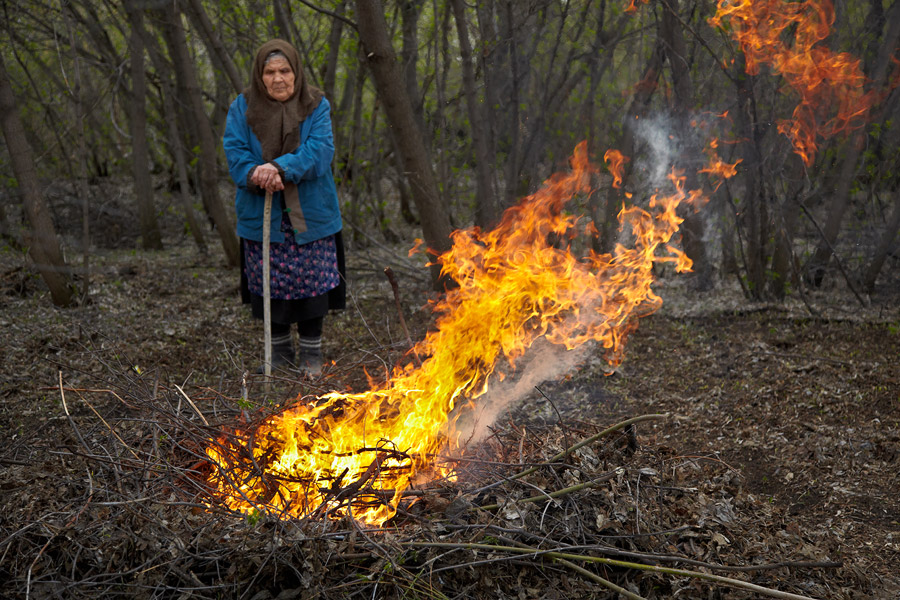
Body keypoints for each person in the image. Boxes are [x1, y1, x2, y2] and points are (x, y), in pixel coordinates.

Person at [223, 39, 345, 376]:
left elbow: (319, 151)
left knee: (314, 283)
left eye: (285, 71)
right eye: (270, 72)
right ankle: (278, 350)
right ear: (260, 77)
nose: (279, 79)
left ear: (296, 72)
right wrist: (255, 173)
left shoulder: (316, 105)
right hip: (261, 209)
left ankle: (311, 352)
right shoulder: (242, 107)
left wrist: (279, 167)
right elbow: (234, 151)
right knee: (268, 282)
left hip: (310, 212)